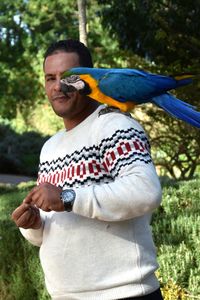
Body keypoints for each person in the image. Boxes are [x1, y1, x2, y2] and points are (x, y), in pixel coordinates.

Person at [12, 39, 163, 300]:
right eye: (50, 78)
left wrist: (67, 197)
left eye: (68, 77)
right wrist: (34, 224)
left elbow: (145, 191)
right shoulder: (50, 147)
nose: (58, 86)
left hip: (123, 294)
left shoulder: (114, 125)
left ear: (89, 80)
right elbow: (52, 228)